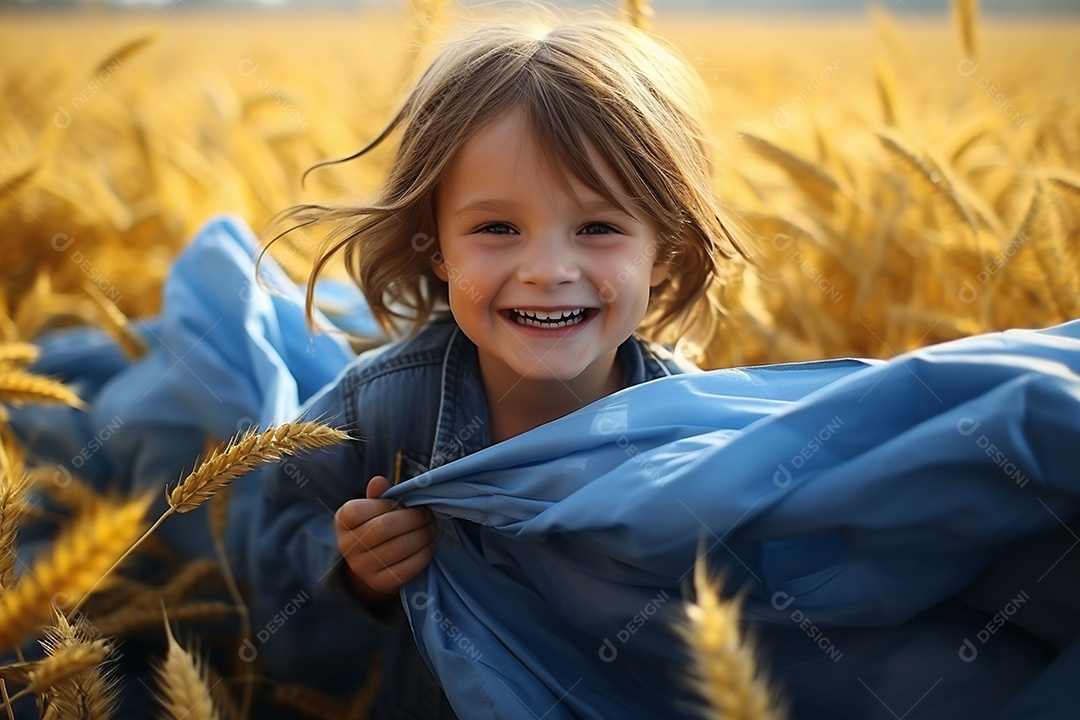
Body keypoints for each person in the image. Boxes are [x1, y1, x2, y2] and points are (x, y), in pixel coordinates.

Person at [246, 15, 745, 719]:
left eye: (598, 228)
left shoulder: (698, 435)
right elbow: (270, 580)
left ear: (663, 250)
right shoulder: (374, 411)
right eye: (497, 228)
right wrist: (354, 576)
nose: (547, 270)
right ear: (435, 245)